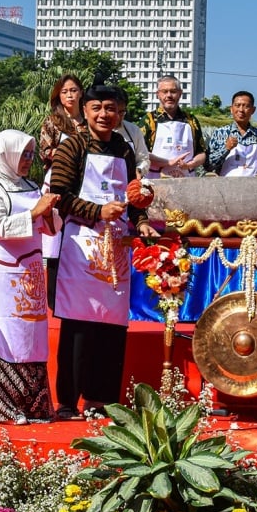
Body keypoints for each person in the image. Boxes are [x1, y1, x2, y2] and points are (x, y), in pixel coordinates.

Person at [49, 82, 158, 420]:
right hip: (82, 247)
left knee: (111, 327)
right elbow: (59, 194)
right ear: (85, 110)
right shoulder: (72, 147)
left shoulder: (125, 150)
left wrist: (140, 222)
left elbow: (134, 197)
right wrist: (98, 212)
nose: (103, 115)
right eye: (97, 108)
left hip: (117, 248)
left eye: (110, 109)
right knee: (79, 327)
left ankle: (103, 399)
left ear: (119, 113)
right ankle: (69, 400)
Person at [0, 130, 62, 425]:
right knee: (6, 339)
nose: (27, 160)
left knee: (33, 339)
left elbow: (50, 229)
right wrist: (37, 211)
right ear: (6, 154)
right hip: (1, 271)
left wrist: (49, 213)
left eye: (30, 155)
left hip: (31, 269)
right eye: (22, 155)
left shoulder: (30, 185)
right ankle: (6, 408)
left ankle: (36, 406)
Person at [39, 74, 85, 309]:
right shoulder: (53, 121)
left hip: (86, 183)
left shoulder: (88, 120)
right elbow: (45, 151)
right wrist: (72, 156)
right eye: (65, 91)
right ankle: (54, 298)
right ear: (59, 95)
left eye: (74, 90)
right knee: (56, 238)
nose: (70, 95)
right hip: (58, 181)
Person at [144, 75, 206, 178]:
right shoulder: (149, 120)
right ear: (158, 94)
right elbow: (141, 152)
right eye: (164, 91)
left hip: (186, 179)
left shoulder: (191, 120)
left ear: (180, 94)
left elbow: (202, 153)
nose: (169, 95)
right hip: (155, 180)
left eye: (173, 91)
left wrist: (190, 164)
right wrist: (168, 162)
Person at [205, 91, 257, 176]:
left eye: (246, 106)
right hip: (225, 187)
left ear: (253, 110)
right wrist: (226, 149)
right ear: (231, 109)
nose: (241, 110)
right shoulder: (220, 133)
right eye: (237, 105)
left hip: (254, 187)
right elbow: (208, 165)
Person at [115, 89, 151, 178]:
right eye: (113, 111)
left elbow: (143, 159)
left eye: (121, 112)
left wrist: (139, 170)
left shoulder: (133, 130)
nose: (117, 116)